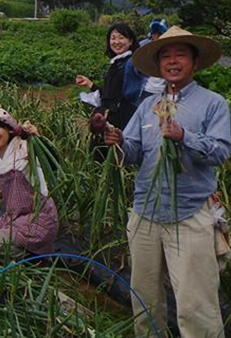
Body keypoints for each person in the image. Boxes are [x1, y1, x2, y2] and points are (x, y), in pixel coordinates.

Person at [104, 26, 230, 338]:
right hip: (145, 212)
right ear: (159, 64)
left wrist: (184, 136)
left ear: (195, 62)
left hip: (189, 213)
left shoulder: (212, 103)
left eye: (180, 55)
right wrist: (118, 140)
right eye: (166, 56)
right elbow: (133, 152)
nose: (172, 61)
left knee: (194, 304)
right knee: (144, 298)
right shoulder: (148, 105)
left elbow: (221, 151)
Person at [0, 109, 58, 256]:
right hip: (13, 217)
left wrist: (37, 138)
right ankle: (9, 253)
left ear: (9, 129)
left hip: (39, 218)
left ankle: (33, 259)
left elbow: (53, 164)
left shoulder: (24, 148)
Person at [76, 23, 145, 157]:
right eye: (113, 38)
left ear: (130, 41)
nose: (116, 42)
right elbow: (110, 93)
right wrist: (91, 85)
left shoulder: (132, 64)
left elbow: (127, 95)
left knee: (113, 158)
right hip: (108, 118)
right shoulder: (117, 63)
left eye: (121, 38)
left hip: (120, 121)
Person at [139, 19, 168, 100]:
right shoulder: (144, 46)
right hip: (146, 89)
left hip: (163, 90)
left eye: (159, 34)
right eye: (155, 34)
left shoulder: (169, 47)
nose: (157, 37)